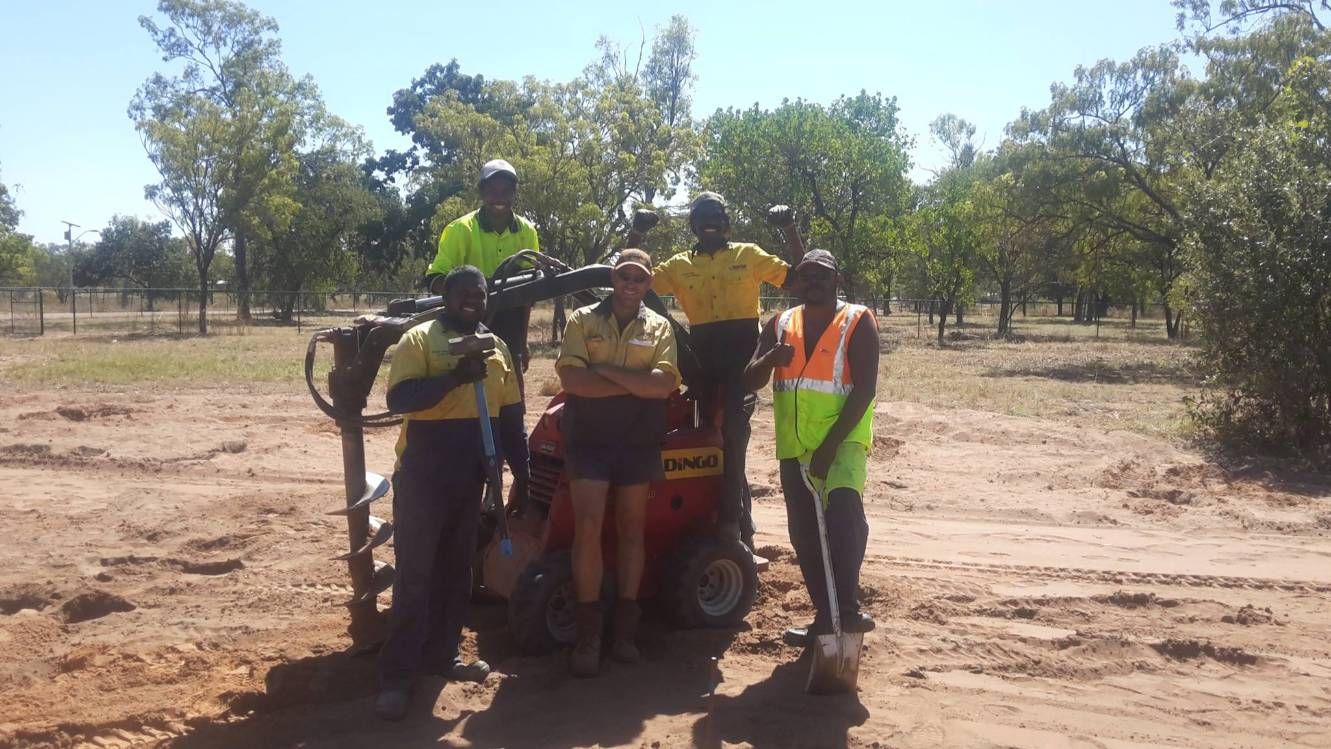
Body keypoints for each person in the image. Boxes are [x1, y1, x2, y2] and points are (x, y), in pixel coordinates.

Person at [375, 265, 526, 720]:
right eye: (462, 293)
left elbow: (513, 423)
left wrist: (525, 479)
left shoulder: (497, 348)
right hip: (424, 474)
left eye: (479, 294)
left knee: (458, 572)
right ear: (445, 296)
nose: (472, 300)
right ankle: (398, 676)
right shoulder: (418, 341)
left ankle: (443, 656)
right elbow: (399, 400)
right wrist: (455, 377)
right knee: (416, 574)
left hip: (472, 475)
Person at [635, 193, 804, 548]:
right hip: (700, 366)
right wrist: (637, 235)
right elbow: (631, 281)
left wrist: (789, 229)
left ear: (727, 223)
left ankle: (733, 528)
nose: (709, 221)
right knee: (700, 439)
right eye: (701, 216)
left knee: (731, 435)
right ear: (693, 225)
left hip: (742, 364)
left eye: (716, 215)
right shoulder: (678, 266)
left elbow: (799, 280)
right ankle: (714, 516)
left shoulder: (749, 255)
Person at [741, 249, 879, 646]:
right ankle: (825, 616)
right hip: (795, 446)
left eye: (821, 274)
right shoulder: (781, 324)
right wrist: (770, 357)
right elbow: (749, 379)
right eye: (805, 275)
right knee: (804, 535)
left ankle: (848, 610)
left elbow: (865, 389)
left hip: (843, 441)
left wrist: (830, 448)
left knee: (844, 520)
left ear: (836, 278)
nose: (813, 281)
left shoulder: (857, 320)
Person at [555, 249, 681, 677]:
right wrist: (635, 386)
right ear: (613, 277)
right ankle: (588, 637)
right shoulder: (582, 320)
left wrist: (604, 370)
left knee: (633, 530)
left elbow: (664, 384)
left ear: (648, 284)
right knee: (587, 528)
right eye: (625, 275)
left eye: (640, 278)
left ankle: (624, 633)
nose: (631, 283)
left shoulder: (661, 326)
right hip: (588, 438)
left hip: (638, 440)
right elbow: (572, 380)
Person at [424, 157, 535, 513]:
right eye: (492, 188)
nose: (499, 196)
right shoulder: (461, 230)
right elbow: (437, 279)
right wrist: (469, 293)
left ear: (515, 192)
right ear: (483, 191)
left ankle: (516, 491)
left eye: (506, 189)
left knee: (511, 413)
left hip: (510, 329)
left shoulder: (527, 233)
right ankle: (470, 489)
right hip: (470, 324)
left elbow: (529, 290)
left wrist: (522, 341)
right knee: (472, 408)